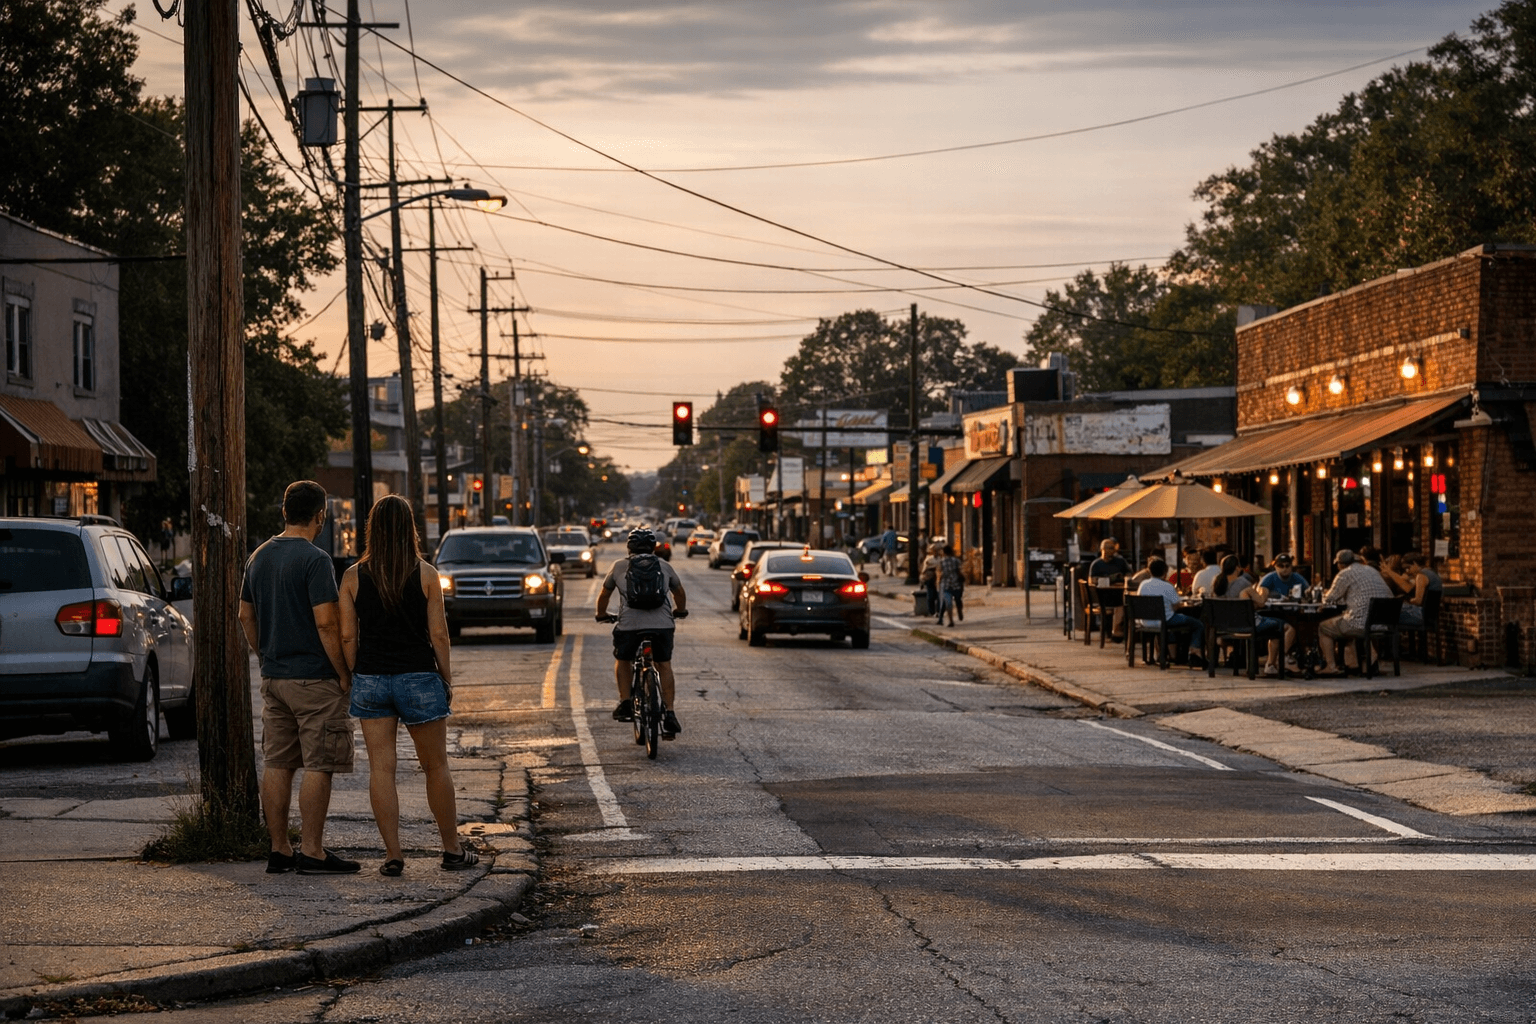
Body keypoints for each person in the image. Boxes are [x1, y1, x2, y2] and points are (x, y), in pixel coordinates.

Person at [339, 495, 479, 877]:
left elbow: (348, 636)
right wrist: (445, 677)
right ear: (409, 529)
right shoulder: (426, 574)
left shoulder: (352, 576)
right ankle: (451, 850)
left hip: (371, 678)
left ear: (372, 530)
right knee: (436, 766)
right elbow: (439, 634)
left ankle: (393, 855)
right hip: (418, 676)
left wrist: (354, 673)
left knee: (381, 769)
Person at [238, 481, 359, 876]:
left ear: (284, 512)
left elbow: (245, 615)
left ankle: (279, 850)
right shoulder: (315, 559)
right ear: (320, 516)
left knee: (278, 762)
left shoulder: (258, 557)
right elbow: (326, 623)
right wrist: (343, 672)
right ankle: (312, 851)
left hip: (275, 679)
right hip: (315, 680)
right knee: (319, 763)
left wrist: (264, 656)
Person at [597, 527, 688, 738]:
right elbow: (679, 593)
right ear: (653, 547)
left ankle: (625, 702)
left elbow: (604, 595)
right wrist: (680, 611)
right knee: (663, 664)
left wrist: (601, 614)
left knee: (623, 659)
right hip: (662, 625)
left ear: (629, 547)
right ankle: (670, 713)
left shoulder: (619, 566)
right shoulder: (664, 566)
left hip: (629, 625)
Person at [1317, 549, 1393, 676]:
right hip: (1383, 622)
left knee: (1323, 627)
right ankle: (1358, 664)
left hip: (1361, 624)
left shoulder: (1344, 574)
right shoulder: (1371, 570)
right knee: (1349, 619)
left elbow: (1330, 598)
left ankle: (1331, 667)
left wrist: (1324, 595)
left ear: (1340, 564)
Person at [1214, 557, 1291, 675]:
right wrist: (1264, 590)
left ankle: (1270, 664)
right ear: (1237, 568)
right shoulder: (1243, 583)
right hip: (1248, 625)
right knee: (1282, 626)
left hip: (1225, 626)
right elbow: (1261, 603)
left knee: (1272, 624)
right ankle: (1272, 664)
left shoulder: (1217, 585)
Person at [1135, 558, 1205, 669]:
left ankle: (1169, 655)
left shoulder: (1143, 585)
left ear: (1150, 571)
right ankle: (1194, 652)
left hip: (1145, 621)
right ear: (1165, 572)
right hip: (1165, 621)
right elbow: (1176, 606)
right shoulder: (1167, 586)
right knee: (1198, 624)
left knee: (1172, 624)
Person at [1382, 551, 1442, 626]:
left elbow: (1418, 601)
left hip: (1421, 616)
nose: (1407, 571)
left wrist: (1406, 601)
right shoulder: (1431, 572)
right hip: (1430, 616)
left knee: (1388, 615)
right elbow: (1408, 587)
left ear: (1415, 563)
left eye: (1408, 567)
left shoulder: (1421, 576)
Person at [1088, 538, 1132, 638]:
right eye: (1108, 548)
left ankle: (1118, 631)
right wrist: (1111, 578)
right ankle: (1116, 630)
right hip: (1103, 597)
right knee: (1120, 604)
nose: (1110, 550)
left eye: (1112, 548)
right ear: (1101, 549)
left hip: (1119, 593)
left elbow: (1129, 574)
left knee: (1124, 602)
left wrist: (1123, 577)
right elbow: (1092, 581)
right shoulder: (1096, 564)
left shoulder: (1120, 562)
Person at [936, 545, 964, 626]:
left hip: (946, 585)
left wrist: (938, 583)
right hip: (956, 584)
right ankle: (959, 611)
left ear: (944, 552)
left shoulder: (942, 562)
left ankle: (951, 621)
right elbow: (960, 571)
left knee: (948, 603)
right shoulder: (956, 560)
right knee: (958, 600)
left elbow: (939, 573)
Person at [920, 541, 942, 617]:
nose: (936, 552)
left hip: (938, 579)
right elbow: (924, 570)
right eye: (934, 550)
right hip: (930, 578)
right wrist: (922, 580)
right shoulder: (928, 559)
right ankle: (931, 611)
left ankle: (938, 611)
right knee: (931, 596)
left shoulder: (940, 559)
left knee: (939, 596)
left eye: (937, 550)